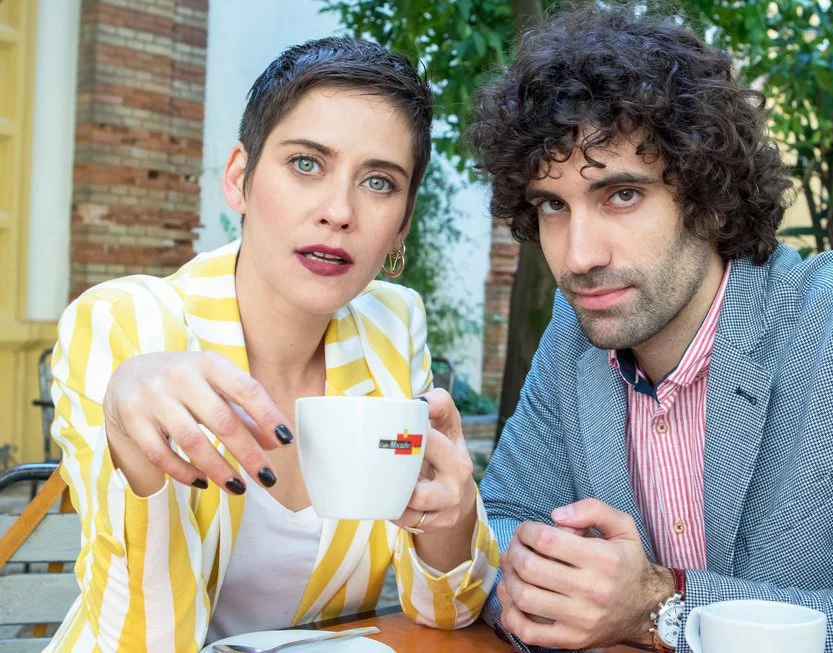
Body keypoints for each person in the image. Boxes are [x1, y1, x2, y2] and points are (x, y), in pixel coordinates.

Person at [468, 6, 833, 652]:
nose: (578, 256)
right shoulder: (576, 333)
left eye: (622, 195)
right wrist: (551, 587)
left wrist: (663, 608)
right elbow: (500, 528)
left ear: (710, 201)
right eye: (552, 205)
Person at [46, 37, 498, 651]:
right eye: (306, 163)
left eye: (379, 181)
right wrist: (132, 447)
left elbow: (447, 612)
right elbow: (143, 639)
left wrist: (453, 513)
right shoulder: (126, 327)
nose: (339, 211)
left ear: (403, 224)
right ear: (240, 178)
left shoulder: (393, 324)